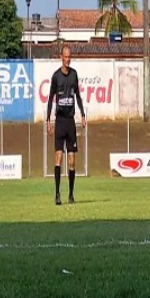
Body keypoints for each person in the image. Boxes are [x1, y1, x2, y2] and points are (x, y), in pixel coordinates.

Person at [46, 45, 86, 205]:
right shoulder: (56, 76)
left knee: (71, 160)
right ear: (61, 57)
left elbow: (78, 96)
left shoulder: (74, 74)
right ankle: (57, 194)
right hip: (60, 121)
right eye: (65, 57)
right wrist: (48, 120)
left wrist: (83, 115)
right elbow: (50, 98)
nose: (68, 59)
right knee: (58, 157)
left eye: (70, 57)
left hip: (70, 122)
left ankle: (70, 194)